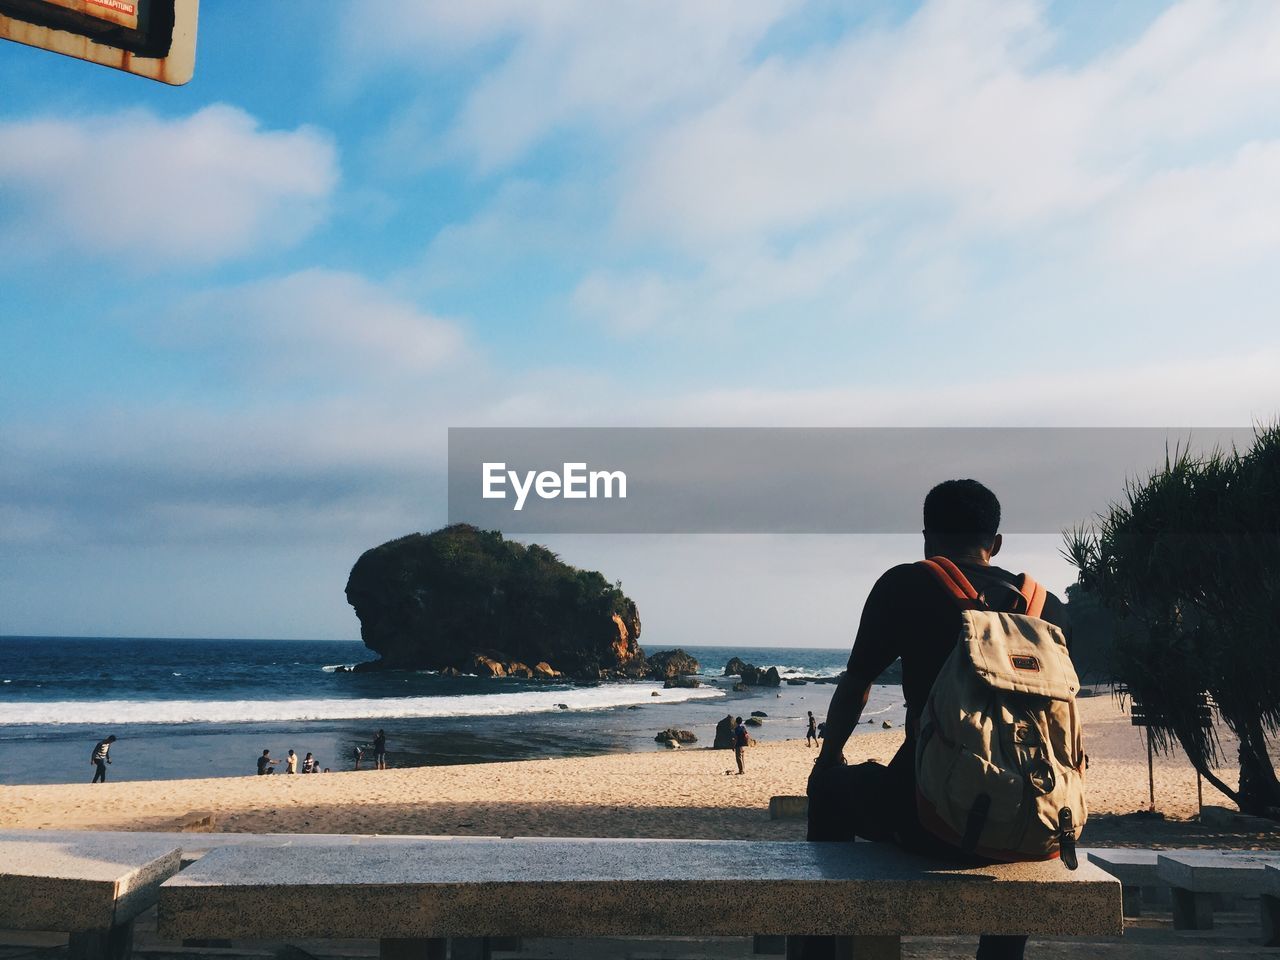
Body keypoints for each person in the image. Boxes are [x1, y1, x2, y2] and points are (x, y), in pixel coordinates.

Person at [803, 480, 1070, 960]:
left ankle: (826, 945)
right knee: (1013, 817)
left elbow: (856, 685)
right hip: (1040, 822)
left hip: (932, 819)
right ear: (998, 543)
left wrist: (827, 758)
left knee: (827, 789)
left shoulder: (906, 584)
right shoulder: (1045, 608)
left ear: (926, 537)